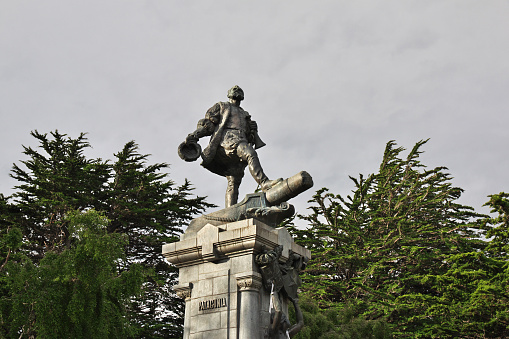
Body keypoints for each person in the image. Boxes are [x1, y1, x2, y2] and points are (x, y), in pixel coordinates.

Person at [183, 85, 281, 207]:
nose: (237, 89)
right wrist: (195, 135)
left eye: (239, 90)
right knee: (250, 153)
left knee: (233, 181)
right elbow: (209, 125)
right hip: (228, 141)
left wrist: (253, 130)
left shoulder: (244, 114)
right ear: (229, 94)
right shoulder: (222, 106)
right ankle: (264, 182)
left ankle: (229, 210)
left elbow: (249, 137)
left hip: (241, 141)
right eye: (234, 90)